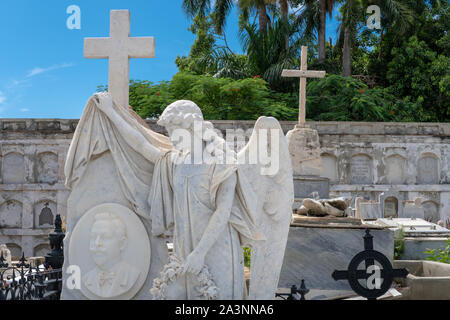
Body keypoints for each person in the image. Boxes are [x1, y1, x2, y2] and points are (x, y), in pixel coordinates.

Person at [83, 212, 140, 298]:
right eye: (93, 237)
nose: (97, 243)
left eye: (105, 237)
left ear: (122, 244)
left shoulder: (132, 275)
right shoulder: (87, 279)